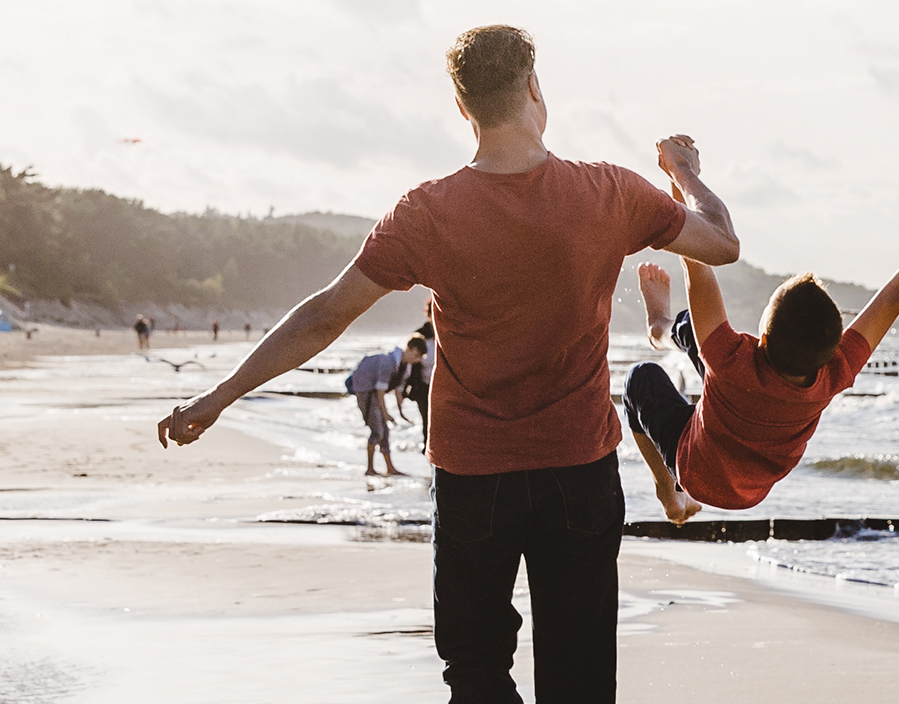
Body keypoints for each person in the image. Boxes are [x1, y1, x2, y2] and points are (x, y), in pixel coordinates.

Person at [150, 24, 742, 704]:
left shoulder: (425, 214)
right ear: (534, 90)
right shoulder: (609, 192)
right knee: (579, 682)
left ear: (464, 109)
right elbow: (722, 242)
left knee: (476, 674)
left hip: (473, 479)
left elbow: (322, 315)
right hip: (578, 470)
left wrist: (219, 397)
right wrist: (683, 170)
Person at [617, 188, 899, 523]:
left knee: (640, 378)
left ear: (764, 337)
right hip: (753, 487)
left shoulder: (729, 359)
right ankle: (664, 329)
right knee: (701, 335)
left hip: (694, 470)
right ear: (833, 348)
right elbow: (893, 296)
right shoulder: (835, 373)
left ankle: (668, 491)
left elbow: (697, 264)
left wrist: (683, 179)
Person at [346, 340, 413, 477]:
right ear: (410, 349)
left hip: (373, 394)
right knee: (377, 431)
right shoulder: (388, 363)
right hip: (366, 393)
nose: (416, 359)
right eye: (416, 355)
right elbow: (380, 391)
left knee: (385, 431)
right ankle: (370, 469)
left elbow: (398, 391)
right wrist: (386, 413)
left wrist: (401, 413)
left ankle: (390, 468)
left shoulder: (403, 367)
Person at [397, 322, 436, 438]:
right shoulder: (421, 336)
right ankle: (427, 449)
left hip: (440, 386)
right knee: (426, 418)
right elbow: (411, 367)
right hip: (422, 386)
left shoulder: (447, 333)